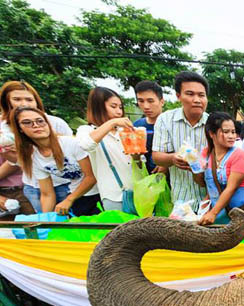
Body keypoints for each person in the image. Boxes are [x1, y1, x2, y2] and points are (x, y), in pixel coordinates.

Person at [10, 107, 98, 216]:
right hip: (80, 196)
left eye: (40, 121)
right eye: (27, 122)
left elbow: (91, 177)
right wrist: (45, 218)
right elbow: (47, 194)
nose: (36, 125)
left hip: (100, 193)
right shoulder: (34, 157)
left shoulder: (71, 143)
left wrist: (69, 200)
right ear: (20, 129)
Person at [0, 80, 72, 212]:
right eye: (17, 99)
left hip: (64, 184)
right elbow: (21, 161)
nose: (24, 104)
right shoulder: (3, 128)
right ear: (7, 102)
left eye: (29, 99)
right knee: (43, 226)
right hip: (34, 186)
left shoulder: (55, 122)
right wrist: (10, 154)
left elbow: (73, 152)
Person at [76, 87, 140, 212]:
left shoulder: (124, 132)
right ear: (98, 107)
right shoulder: (87, 130)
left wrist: (137, 157)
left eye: (120, 107)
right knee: (120, 230)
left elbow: (138, 165)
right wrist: (111, 123)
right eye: (113, 106)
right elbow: (87, 145)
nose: (119, 112)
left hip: (138, 193)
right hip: (113, 196)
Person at [152, 71, 208, 205]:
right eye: (190, 94)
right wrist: (172, 158)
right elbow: (156, 156)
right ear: (179, 96)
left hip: (210, 199)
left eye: (201, 95)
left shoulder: (214, 123)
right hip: (180, 199)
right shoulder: (166, 120)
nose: (197, 100)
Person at [193, 112, 244, 225]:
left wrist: (213, 213)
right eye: (226, 132)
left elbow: (230, 188)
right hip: (217, 218)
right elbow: (203, 183)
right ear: (211, 133)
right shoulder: (206, 154)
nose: (232, 136)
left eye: (233, 132)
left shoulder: (239, 155)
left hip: (240, 217)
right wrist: (194, 167)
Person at [133, 80, 165, 173]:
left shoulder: (172, 125)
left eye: (150, 101)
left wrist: (166, 163)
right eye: (141, 101)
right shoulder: (136, 126)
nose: (146, 106)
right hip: (143, 179)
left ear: (162, 102)